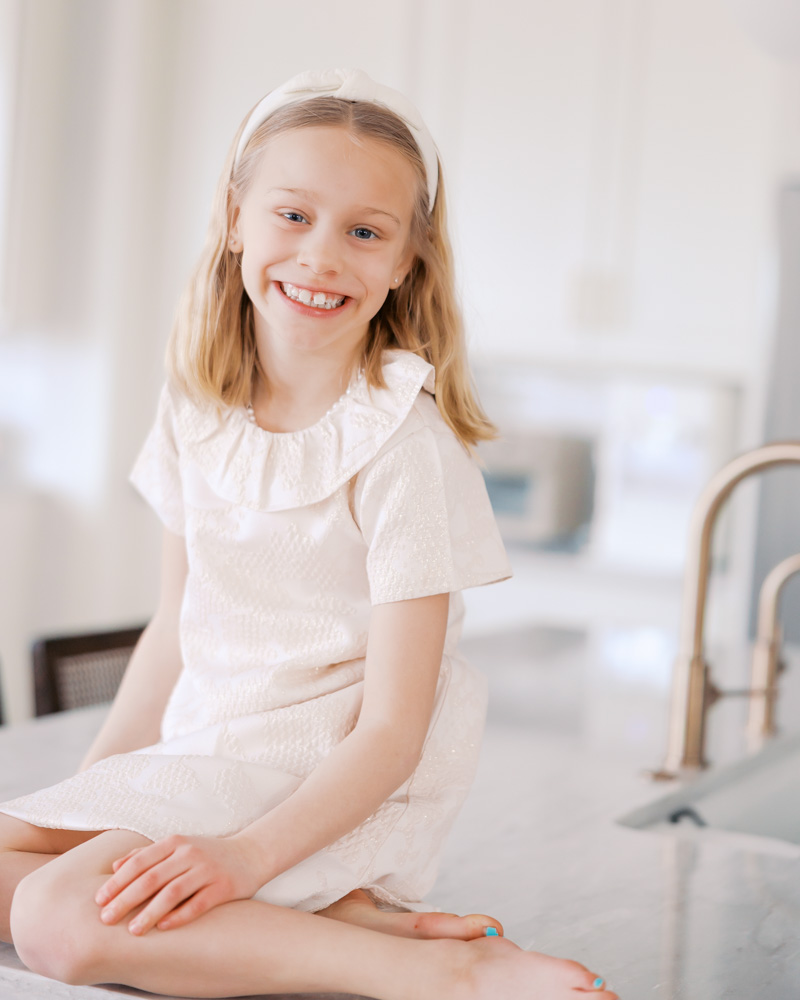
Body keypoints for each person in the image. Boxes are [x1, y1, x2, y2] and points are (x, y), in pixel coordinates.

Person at [0, 69, 617, 999]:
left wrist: (244, 861)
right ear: (235, 215)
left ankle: (442, 974)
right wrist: (93, 805)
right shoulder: (195, 406)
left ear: (406, 261)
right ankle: (331, 916)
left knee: (53, 921)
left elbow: (396, 731)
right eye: (293, 215)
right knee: (36, 878)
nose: (322, 257)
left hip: (317, 772)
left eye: (365, 232)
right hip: (204, 757)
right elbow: (174, 631)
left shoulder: (404, 447)